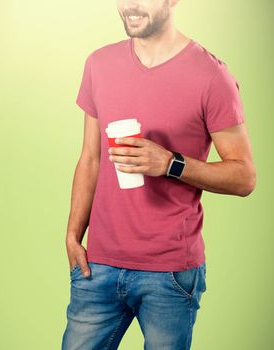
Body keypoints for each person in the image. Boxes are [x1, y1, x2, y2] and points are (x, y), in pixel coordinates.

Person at [62, 0, 256, 349]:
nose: (130, 6)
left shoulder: (211, 76)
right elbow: (90, 159)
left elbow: (244, 177)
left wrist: (170, 163)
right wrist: (73, 235)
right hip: (98, 264)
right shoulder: (99, 65)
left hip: (169, 273)